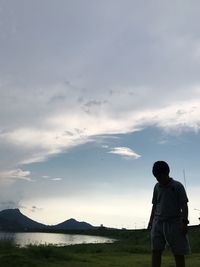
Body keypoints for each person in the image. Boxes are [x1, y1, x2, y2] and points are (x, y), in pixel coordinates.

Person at [148, 161, 190, 267]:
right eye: (156, 177)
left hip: (175, 222)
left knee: (178, 253)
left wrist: (184, 223)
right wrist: (151, 221)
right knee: (156, 251)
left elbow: (184, 206)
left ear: (167, 173)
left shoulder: (177, 186)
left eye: (159, 176)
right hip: (158, 222)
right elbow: (154, 205)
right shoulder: (157, 187)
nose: (158, 179)